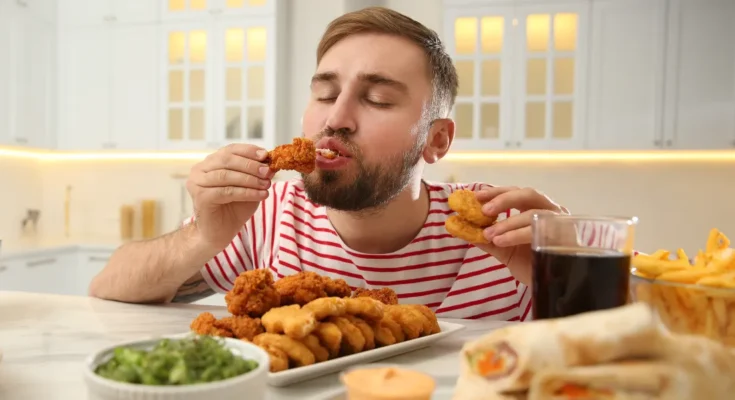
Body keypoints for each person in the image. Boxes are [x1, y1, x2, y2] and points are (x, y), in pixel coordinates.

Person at [88, 7, 569, 321]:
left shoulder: (498, 227)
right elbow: (108, 288)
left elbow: (628, 347)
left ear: (436, 140)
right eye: (325, 93)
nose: (336, 118)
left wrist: (569, 273)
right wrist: (202, 237)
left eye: (377, 99)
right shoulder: (267, 212)